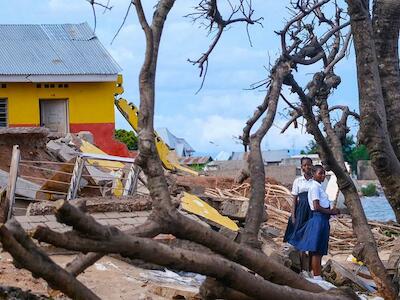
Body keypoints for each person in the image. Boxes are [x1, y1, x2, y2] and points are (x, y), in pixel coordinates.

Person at [290, 165, 340, 280]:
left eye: (324, 174)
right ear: (314, 175)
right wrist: (331, 211)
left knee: (320, 250)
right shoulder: (314, 187)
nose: (323, 176)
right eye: (320, 173)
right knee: (317, 251)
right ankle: (317, 278)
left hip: (323, 220)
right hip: (318, 219)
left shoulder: (319, 187)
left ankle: (316, 274)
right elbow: (316, 207)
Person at [283, 157, 313, 243]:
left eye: (309, 165)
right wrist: (293, 216)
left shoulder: (315, 180)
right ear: (301, 167)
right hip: (301, 210)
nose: (307, 167)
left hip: (312, 210)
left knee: (310, 234)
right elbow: (295, 200)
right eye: (304, 165)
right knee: (298, 234)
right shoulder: (298, 181)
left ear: (312, 166)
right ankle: (300, 255)